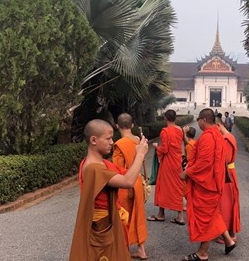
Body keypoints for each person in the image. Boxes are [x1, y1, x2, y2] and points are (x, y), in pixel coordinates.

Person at [69, 119, 148, 261]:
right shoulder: (94, 168)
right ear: (93, 140)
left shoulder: (101, 163)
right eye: (108, 138)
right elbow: (127, 181)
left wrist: (137, 155)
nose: (112, 142)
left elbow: (125, 173)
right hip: (103, 226)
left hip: (110, 222)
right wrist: (141, 155)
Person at [180, 109, 236, 261]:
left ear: (203, 120)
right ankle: (229, 241)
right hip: (214, 183)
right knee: (213, 214)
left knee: (205, 218)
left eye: (198, 120)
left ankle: (202, 253)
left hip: (206, 185)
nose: (197, 123)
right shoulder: (218, 134)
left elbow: (204, 163)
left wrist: (187, 173)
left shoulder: (207, 137)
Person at [112, 113, 148, 260]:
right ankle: (142, 250)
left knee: (123, 216)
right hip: (138, 181)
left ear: (117, 126)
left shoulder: (119, 144)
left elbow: (117, 168)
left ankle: (124, 249)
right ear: (132, 125)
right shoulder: (138, 141)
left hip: (125, 182)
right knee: (138, 214)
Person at [147, 109, 185, 225]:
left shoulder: (165, 131)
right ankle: (180, 216)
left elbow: (165, 149)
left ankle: (161, 214)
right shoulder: (180, 130)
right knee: (177, 187)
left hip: (168, 162)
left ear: (165, 119)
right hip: (177, 161)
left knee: (162, 186)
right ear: (175, 118)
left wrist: (156, 146)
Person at [215, 117, 241, 243]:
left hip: (226, 174)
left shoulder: (226, 139)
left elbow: (223, 160)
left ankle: (227, 234)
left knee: (226, 204)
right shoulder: (230, 137)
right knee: (230, 202)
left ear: (218, 125)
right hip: (229, 172)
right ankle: (229, 232)